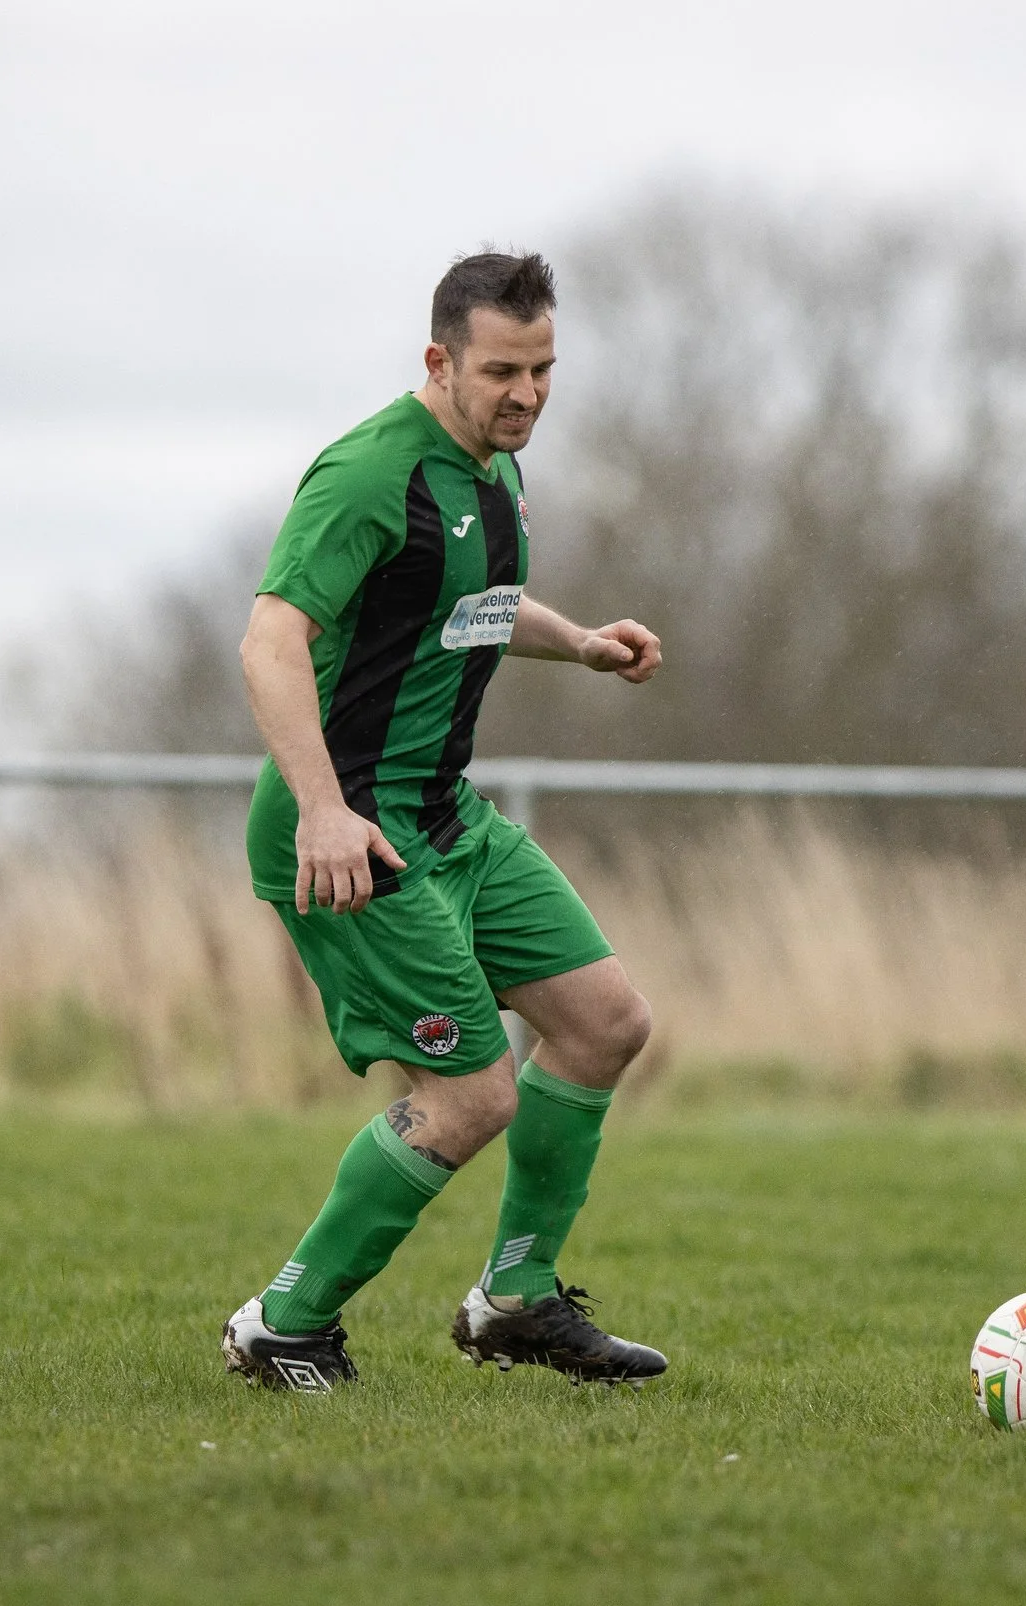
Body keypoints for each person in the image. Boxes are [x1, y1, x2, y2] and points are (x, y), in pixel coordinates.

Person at [221, 250, 668, 1392]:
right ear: (439, 359)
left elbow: (473, 604)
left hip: (445, 816)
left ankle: (515, 1299)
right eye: (503, 370)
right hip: (350, 835)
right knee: (472, 1093)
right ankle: (282, 1322)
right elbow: (270, 640)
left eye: (545, 369)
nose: (526, 393)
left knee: (605, 1023)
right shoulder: (370, 473)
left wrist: (576, 642)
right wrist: (323, 811)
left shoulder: (493, 468)